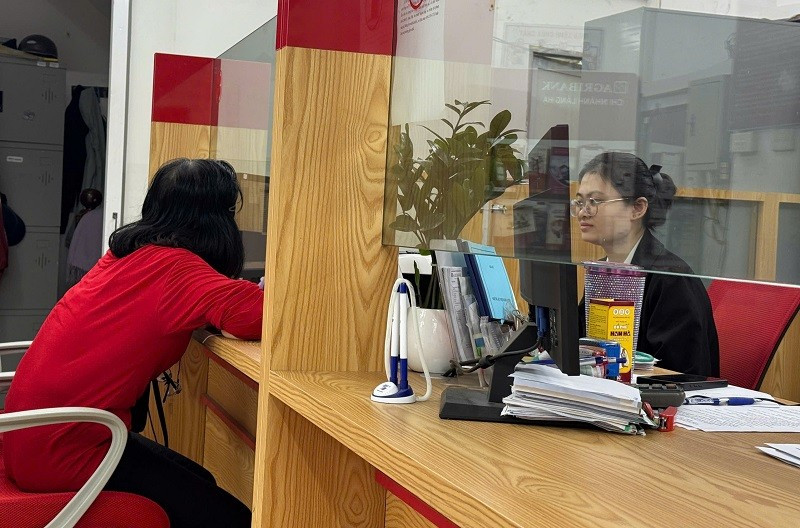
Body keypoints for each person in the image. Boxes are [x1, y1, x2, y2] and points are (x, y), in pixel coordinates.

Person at [3, 158, 263, 528]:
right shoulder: (178, 271)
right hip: (65, 449)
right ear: (216, 219)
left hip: (32, 436)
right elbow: (259, 315)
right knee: (230, 518)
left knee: (201, 481)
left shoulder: (124, 256)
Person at [574, 152, 719, 376]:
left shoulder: (671, 280)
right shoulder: (602, 272)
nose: (583, 212)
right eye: (580, 202)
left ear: (637, 208)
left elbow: (679, 376)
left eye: (595, 201)